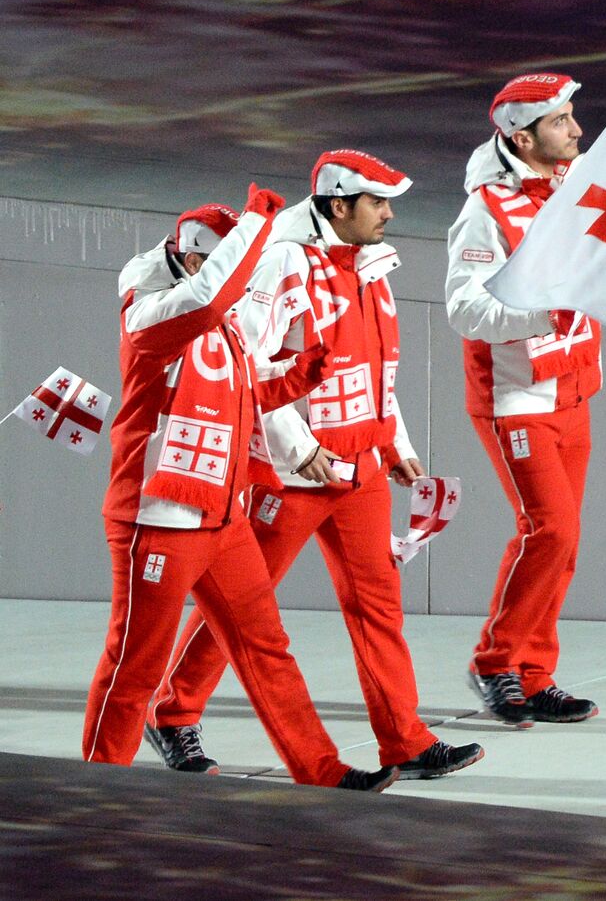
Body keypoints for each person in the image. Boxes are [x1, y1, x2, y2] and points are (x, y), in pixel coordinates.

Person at [150, 151, 483, 780]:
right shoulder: (280, 262)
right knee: (242, 608)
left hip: (359, 468)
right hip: (290, 474)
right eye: (377, 202)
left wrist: (397, 444)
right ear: (338, 204)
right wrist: (303, 451)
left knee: (379, 607)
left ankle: (405, 740)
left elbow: (375, 367)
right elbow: (243, 368)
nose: (388, 214)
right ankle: (173, 713)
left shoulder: (373, 265)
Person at [86, 190, 396, 792]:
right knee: (135, 665)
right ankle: (96, 795)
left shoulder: (219, 321)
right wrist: (258, 219)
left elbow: (243, 399)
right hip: (157, 521)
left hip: (222, 518)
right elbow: (203, 304)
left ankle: (322, 771)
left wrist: (302, 372)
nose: (249, 286)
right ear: (201, 263)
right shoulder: (149, 315)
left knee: (266, 648)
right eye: (241, 268)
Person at [443, 73, 603, 727]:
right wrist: (544, 313)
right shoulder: (483, 211)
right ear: (521, 134)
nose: (576, 131)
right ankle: (494, 662)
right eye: (562, 121)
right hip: (516, 398)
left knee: (560, 543)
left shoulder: (571, 178)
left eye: (573, 117)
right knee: (551, 529)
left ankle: (534, 675)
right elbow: (463, 307)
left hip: (573, 387)